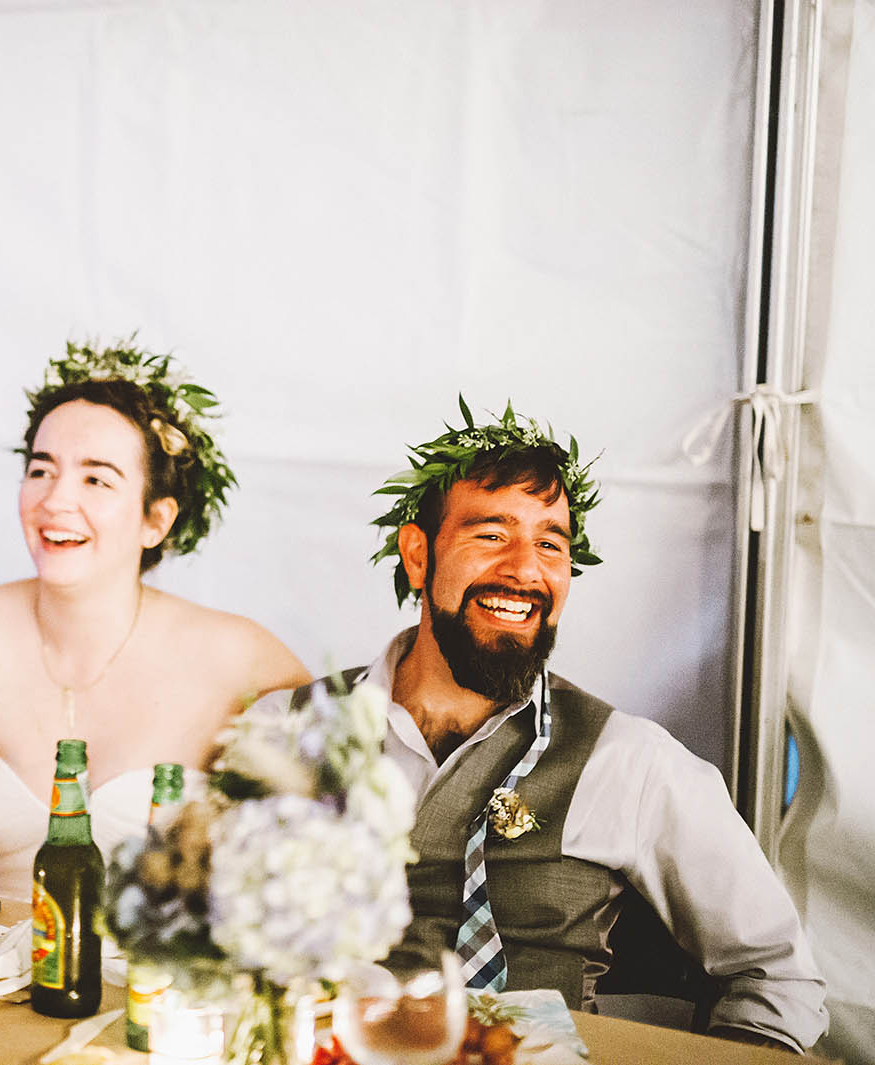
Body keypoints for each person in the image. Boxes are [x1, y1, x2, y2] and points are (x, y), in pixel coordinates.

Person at [249, 401, 827, 1052]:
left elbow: (776, 975)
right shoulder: (285, 730)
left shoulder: (629, 761)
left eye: (550, 543)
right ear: (418, 556)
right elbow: (207, 934)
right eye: (491, 533)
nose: (526, 568)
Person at [0, 342, 310, 900]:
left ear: (155, 520)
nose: (55, 500)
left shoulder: (244, 659)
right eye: (41, 470)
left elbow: (321, 859)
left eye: (96, 480)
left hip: (161, 979)